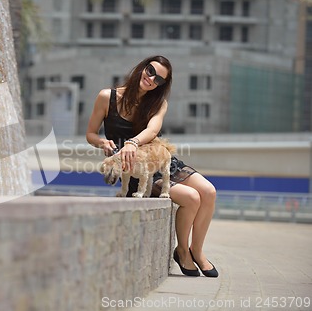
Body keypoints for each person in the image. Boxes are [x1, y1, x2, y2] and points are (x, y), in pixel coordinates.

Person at [86, 55, 218, 278]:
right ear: (141, 67)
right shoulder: (106, 97)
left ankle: (197, 250)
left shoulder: (158, 103)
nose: (151, 79)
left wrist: (132, 142)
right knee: (192, 198)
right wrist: (102, 142)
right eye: (150, 71)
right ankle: (182, 251)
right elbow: (90, 133)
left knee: (209, 191)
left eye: (159, 80)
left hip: (157, 158)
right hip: (135, 169)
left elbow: (153, 131)